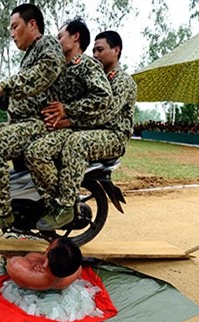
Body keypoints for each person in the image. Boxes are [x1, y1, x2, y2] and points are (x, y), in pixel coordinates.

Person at [0, 3, 66, 231]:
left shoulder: (47, 44)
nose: (12, 34)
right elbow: (23, 95)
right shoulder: (30, 55)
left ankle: (2, 213)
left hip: (39, 124)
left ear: (32, 24)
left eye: (15, 27)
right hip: (20, 121)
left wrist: (3, 85)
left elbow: (44, 73)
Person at [25, 29, 132, 230]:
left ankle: (66, 206)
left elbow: (105, 114)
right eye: (94, 50)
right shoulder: (92, 75)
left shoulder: (122, 81)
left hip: (113, 136)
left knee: (77, 143)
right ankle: (48, 204)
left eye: (100, 50)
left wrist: (69, 121)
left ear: (116, 50)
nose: (96, 54)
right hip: (88, 130)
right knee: (37, 148)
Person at [5, 237, 83, 290]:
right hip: (53, 286)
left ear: (47, 261)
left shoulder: (17, 267)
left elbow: (10, 259)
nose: (47, 248)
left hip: (25, 287)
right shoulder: (73, 272)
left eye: (49, 246)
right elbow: (78, 268)